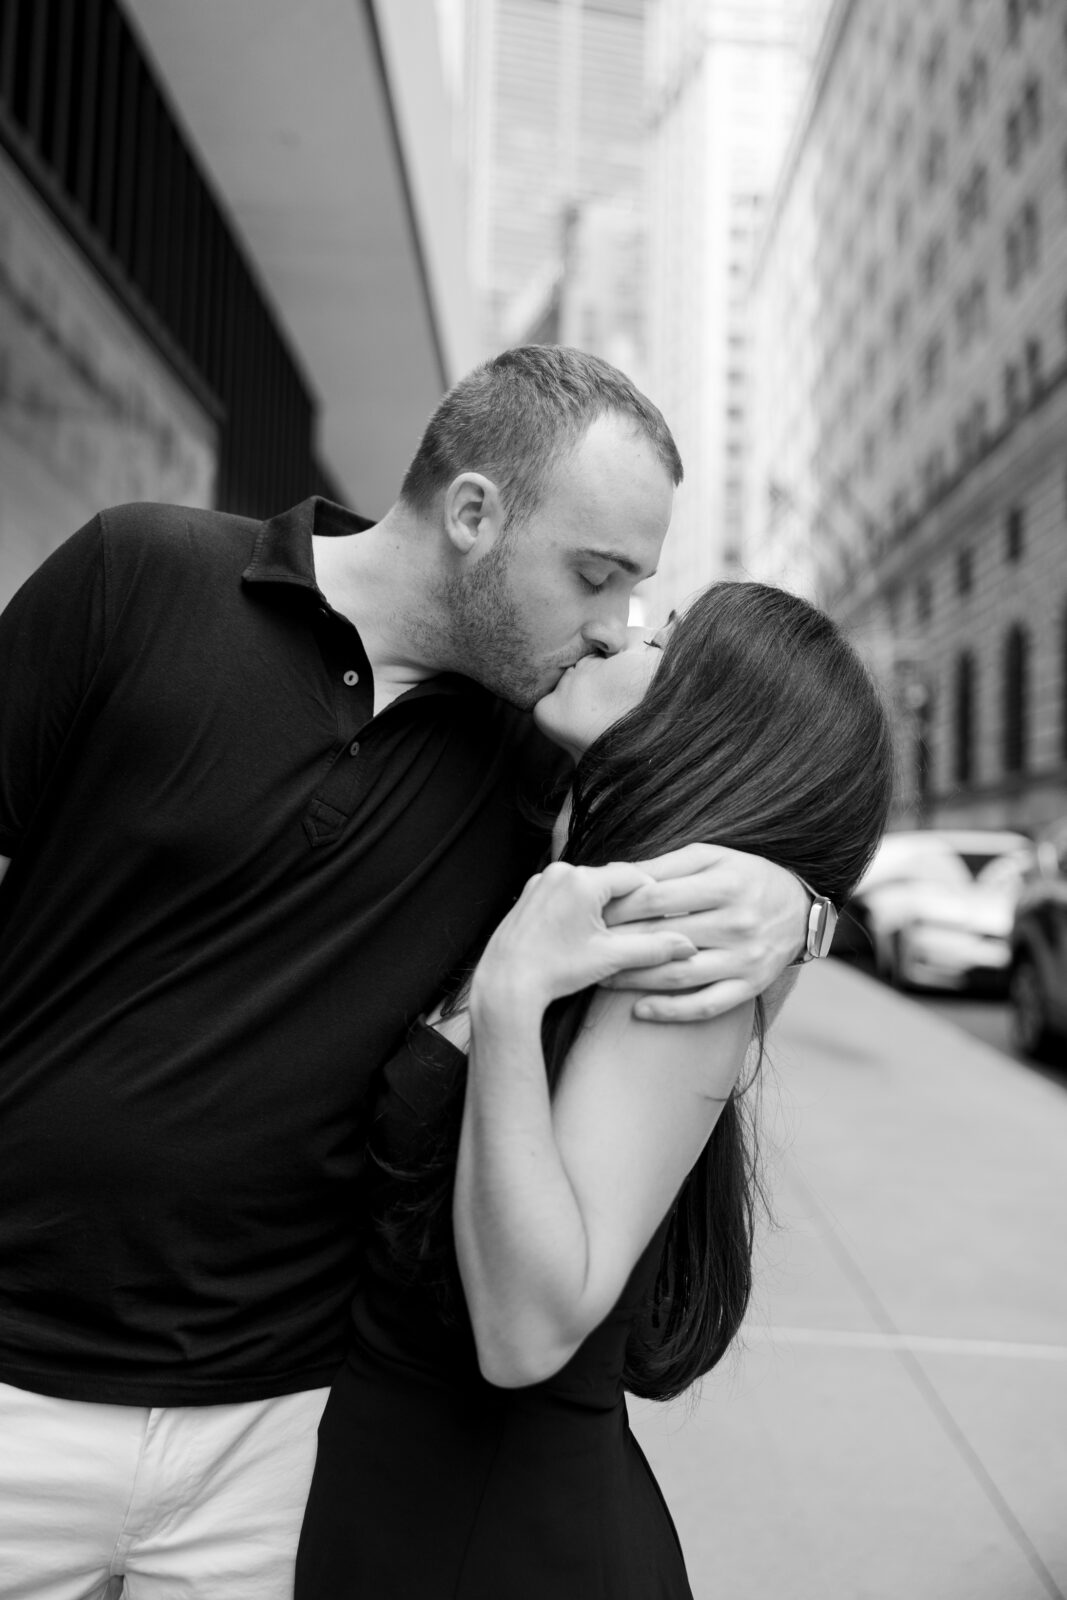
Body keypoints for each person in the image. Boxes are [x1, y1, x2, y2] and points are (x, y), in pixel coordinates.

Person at [0, 347, 813, 1599]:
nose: (610, 625)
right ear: (474, 513)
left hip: (279, 1433)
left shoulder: (538, 758)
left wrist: (798, 905)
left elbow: (741, 791)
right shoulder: (137, 576)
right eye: (593, 576)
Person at [294, 580, 895, 1598]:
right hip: (391, 1498)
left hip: (495, 1539)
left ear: (708, 724)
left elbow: (527, 1331)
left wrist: (513, 995)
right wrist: (807, 914)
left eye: (657, 639)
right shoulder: (558, 863)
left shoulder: (672, 956)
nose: (616, 630)